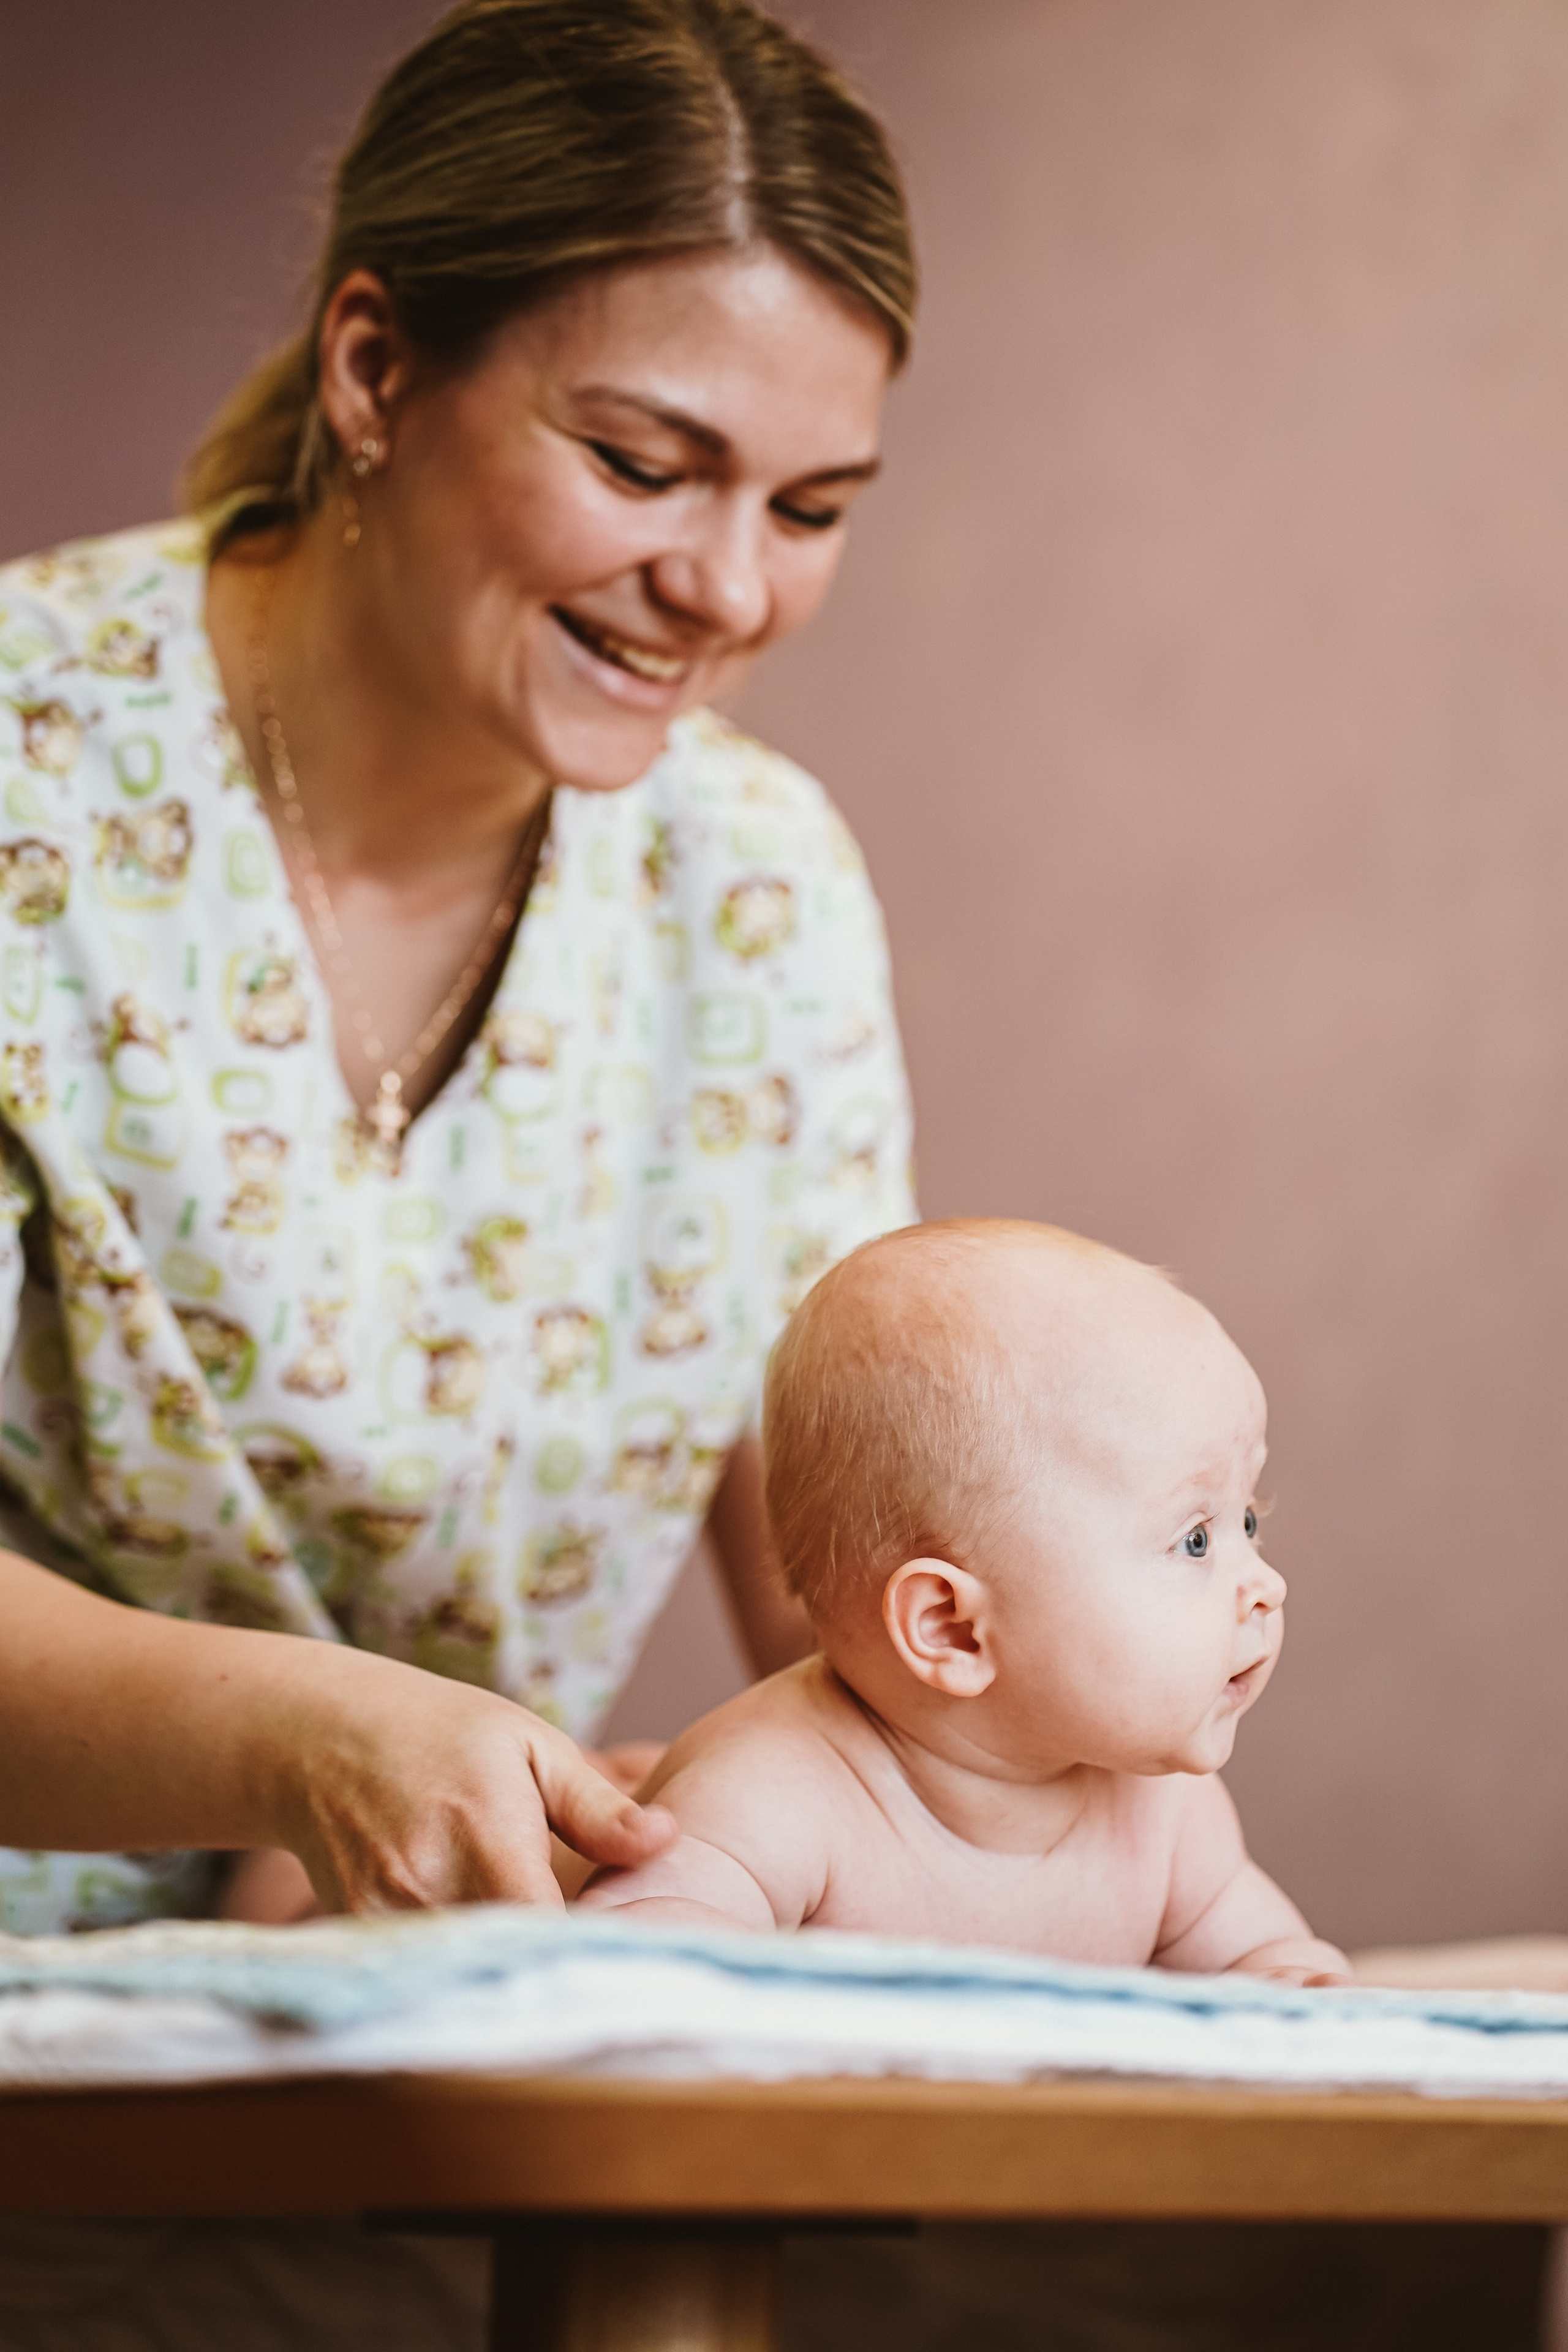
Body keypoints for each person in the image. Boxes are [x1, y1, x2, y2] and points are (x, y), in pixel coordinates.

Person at [0, 0, 918, 1945]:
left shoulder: (755, 888)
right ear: (373, 365)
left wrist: (760, 1811)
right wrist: (302, 1740)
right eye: (642, 462)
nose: (731, 588)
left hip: (420, 2046)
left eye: (811, 507)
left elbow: (876, 1622)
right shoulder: (31, 772)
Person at [584, 1219, 1351, 1985]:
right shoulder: (779, 1789)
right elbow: (621, 1960)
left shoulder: (1167, 1815)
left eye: (1246, 1520)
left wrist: (1297, 1985)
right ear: (953, 1629)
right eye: (1194, 1540)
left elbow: (1271, 1965)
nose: (1265, 1585)